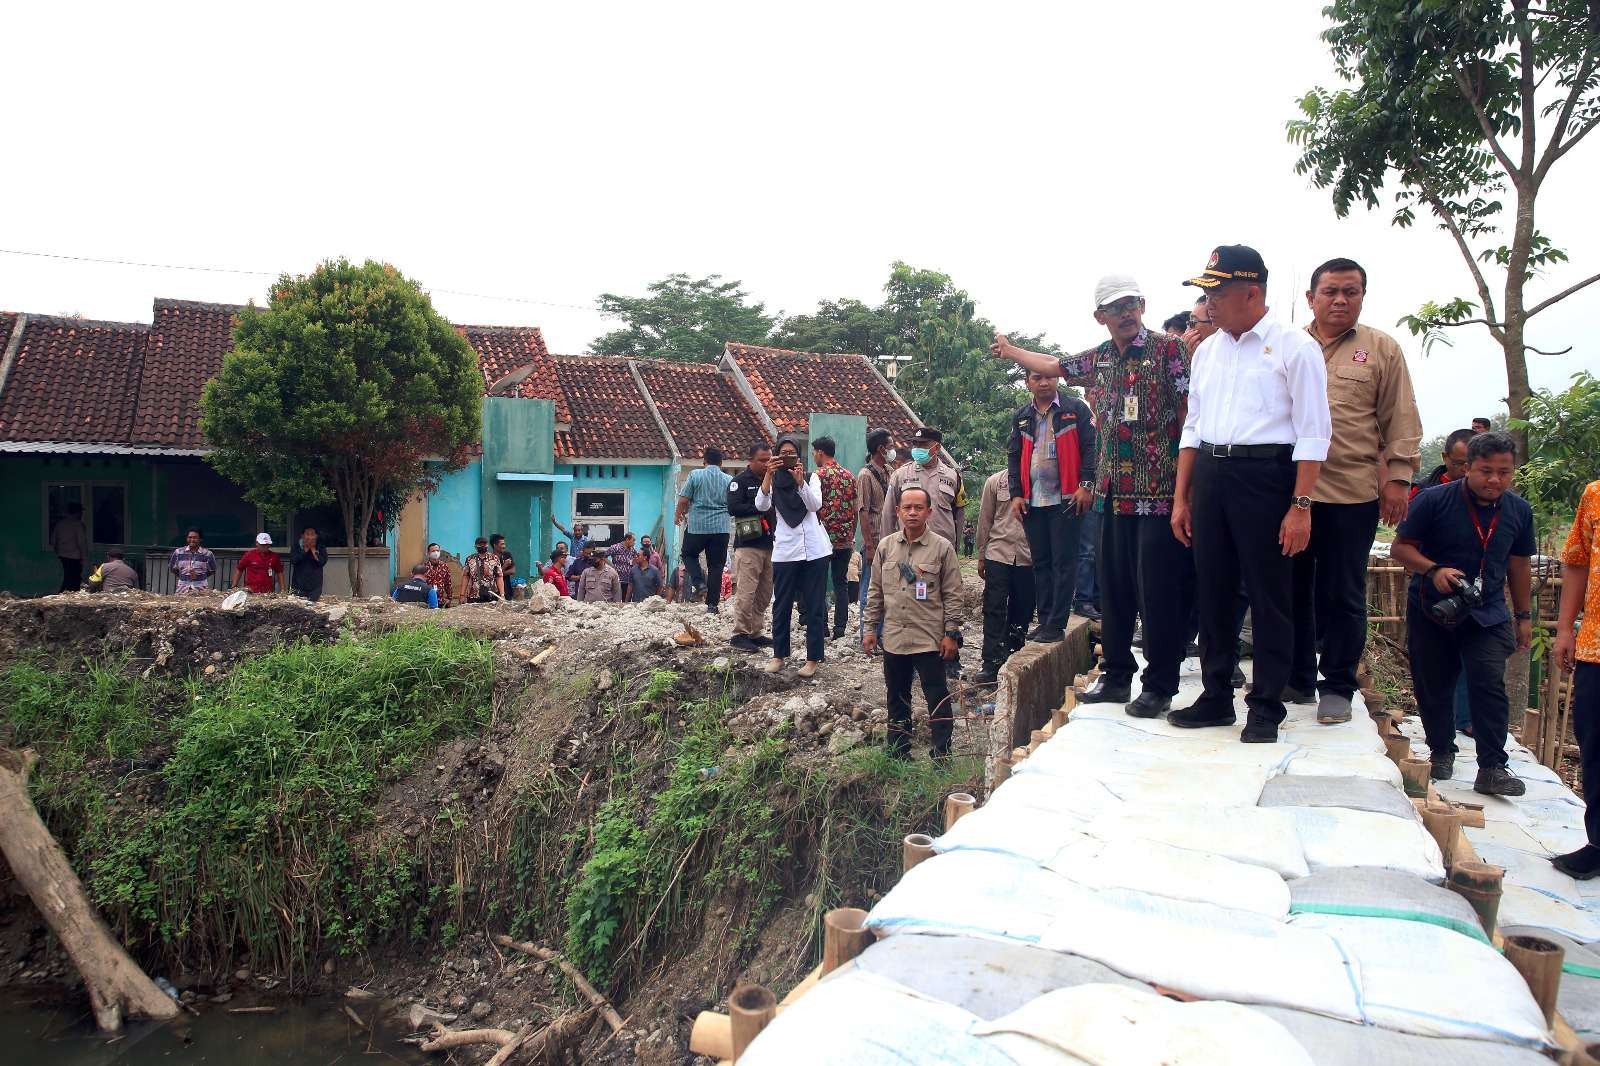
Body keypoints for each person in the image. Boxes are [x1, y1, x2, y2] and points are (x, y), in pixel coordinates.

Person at [995, 275, 1191, 715]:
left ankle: (1160, 684)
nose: (1124, 314)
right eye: (1114, 308)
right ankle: (1118, 676)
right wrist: (1009, 352)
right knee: (1114, 592)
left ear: (1142, 304)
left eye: (1130, 305)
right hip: (1109, 496)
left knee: (1156, 593)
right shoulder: (1099, 360)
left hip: (1158, 494)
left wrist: (1185, 491)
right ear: (1100, 317)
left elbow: (1187, 415)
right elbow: (1051, 363)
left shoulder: (1169, 350)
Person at [1170, 245, 1331, 743]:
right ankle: (1216, 695)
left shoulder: (1293, 348)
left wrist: (1300, 506)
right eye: (1206, 292)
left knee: (1269, 594)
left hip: (1267, 477)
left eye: (1216, 291)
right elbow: (1192, 427)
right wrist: (1182, 497)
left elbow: (1313, 433)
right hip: (1213, 478)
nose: (1208, 302)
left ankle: (1266, 708)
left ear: (1252, 292)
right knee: (1213, 589)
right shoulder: (1208, 351)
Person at [1286, 258, 1423, 724]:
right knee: (1290, 588)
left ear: (1363, 296)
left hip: (1352, 492)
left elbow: (1400, 419)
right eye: (1330, 292)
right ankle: (1298, 676)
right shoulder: (1286, 346)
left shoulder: (1382, 349)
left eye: (1351, 292)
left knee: (1343, 591)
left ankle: (1338, 685)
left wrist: (1399, 480)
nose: (1340, 300)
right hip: (1291, 493)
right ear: (1312, 298)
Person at [1392, 432, 1533, 796]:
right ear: (1467, 468)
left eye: (1504, 472)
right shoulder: (1432, 500)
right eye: (1486, 471)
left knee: (1488, 681)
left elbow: (1519, 565)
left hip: (1487, 612)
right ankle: (1441, 750)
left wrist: (1524, 616)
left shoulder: (1518, 510)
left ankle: (1492, 767)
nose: (1494, 480)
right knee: (1434, 682)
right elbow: (1401, 548)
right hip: (1431, 607)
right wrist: (1433, 569)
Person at [864, 487, 963, 759]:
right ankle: (898, 751)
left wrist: (951, 634)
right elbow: (875, 591)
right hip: (894, 637)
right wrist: (870, 629)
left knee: (937, 697)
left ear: (929, 512)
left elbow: (954, 594)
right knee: (896, 697)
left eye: (918, 507)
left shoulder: (942, 548)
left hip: (929, 638)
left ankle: (942, 753)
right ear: (897, 512)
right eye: (906, 507)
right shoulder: (886, 547)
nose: (912, 512)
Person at [1001, 365, 1096, 644]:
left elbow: (1091, 447)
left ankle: (1056, 623)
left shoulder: (1074, 408)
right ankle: (1044, 621)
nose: (1044, 382)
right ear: (1027, 382)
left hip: (1066, 498)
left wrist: (1085, 485)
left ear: (1058, 379)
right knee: (1040, 562)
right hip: (1034, 499)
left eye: (1049, 376)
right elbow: (1013, 455)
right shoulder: (1022, 416)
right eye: (1037, 377)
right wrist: (1017, 494)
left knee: (1063, 562)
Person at [1553, 478, 1600, 878]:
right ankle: (1598, 843)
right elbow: (1578, 562)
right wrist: (1565, 629)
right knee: (1595, 745)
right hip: (1596, 646)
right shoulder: (1595, 495)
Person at [756, 436, 831, 677]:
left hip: (814, 549)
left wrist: (801, 484)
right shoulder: (772, 480)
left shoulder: (811, 477)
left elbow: (814, 505)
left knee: (814, 605)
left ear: (798, 456)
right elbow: (760, 504)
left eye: (791, 453)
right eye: (782, 453)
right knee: (782, 604)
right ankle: (779, 655)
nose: (787, 456)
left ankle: (813, 658)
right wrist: (768, 474)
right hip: (786, 550)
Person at [974, 470, 1034, 685]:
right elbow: (985, 519)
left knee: (1023, 609)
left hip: (1029, 557)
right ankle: (990, 663)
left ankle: (1013, 658)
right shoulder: (995, 482)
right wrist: (981, 555)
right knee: (993, 608)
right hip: (998, 553)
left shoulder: (1040, 481)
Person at [880, 427, 964, 550]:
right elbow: (888, 514)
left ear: (937, 448)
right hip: (908, 547)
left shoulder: (953, 476)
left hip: (942, 548)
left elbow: (959, 515)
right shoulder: (900, 475)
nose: (917, 448)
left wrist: (955, 547)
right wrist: (885, 548)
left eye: (923, 444)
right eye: (915, 444)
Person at [728, 442, 776, 653]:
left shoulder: (776, 480)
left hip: (771, 544)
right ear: (751, 461)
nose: (767, 464)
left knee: (764, 593)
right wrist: (758, 507)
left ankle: (755, 631)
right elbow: (733, 507)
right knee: (746, 592)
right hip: (749, 544)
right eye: (762, 460)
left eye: (769, 459)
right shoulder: (739, 482)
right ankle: (740, 634)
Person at [676, 446, 734, 611]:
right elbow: (732, 503)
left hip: (697, 527)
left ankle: (699, 583)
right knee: (716, 566)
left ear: (704, 461)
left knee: (688, 554)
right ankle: (712, 605)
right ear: (721, 463)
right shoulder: (728, 479)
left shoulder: (695, 475)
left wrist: (677, 515)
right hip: (721, 528)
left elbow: (683, 500)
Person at [811, 435, 858, 640]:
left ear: (820, 452)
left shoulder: (818, 475)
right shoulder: (849, 475)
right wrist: (850, 534)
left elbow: (812, 506)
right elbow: (855, 509)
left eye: (814, 452)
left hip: (822, 539)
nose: (814, 456)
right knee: (841, 583)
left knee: (819, 583)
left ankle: (822, 628)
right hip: (845, 539)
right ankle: (840, 629)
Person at [856, 429, 895, 633]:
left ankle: (883, 633)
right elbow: (863, 511)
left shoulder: (889, 471)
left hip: (891, 540)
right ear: (881, 449)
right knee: (870, 589)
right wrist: (869, 545)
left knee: (887, 588)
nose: (892, 450)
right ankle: (868, 633)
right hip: (875, 542)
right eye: (890, 446)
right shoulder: (865, 475)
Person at [1412, 428, 1475, 499]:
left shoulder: (1486, 490)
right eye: (1459, 463)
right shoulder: (1423, 491)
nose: (1465, 469)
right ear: (1445, 457)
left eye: (1471, 464)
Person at [50, 502, 87, 593]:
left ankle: (61, 596)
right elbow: (81, 542)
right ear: (78, 512)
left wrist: (58, 552)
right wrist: (83, 557)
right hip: (74, 558)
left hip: (61, 557)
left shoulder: (60, 524)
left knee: (65, 580)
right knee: (74, 583)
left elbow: (53, 541)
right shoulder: (78, 525)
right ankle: (71, 600)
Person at [170, 528, 216, 594]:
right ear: (186, 538)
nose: (192, 540)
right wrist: (184, 576)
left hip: (201, 590)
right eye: (190, 537)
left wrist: (198, 577)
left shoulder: (207, 554)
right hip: (182, 590)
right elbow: (172, 568)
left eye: (195, 538)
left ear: (200, 539)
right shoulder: (178, 552)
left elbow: (212, 570)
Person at [290, 525, 328, 602]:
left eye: (312, 534)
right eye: (307, 534)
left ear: (316, 536)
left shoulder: (320, 547)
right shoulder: (296, 546)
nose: (310, 537)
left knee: (312, 608)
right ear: (302, 536)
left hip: (315, 586)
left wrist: (313, 550)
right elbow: (293, 560)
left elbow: (322, 562)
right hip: (298, 585)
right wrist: (305, 550)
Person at [463, 537, 505, 603]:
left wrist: (502, 595)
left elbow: (499, 577)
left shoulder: (494, 558)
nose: (482, 546)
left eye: (484, 544)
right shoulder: (470, 559)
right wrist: (462, 595)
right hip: (474, 596)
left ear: (487, 545)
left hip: (492, 595)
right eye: (480, 544)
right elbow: (465, 576)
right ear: (475, 546)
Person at [609, 533, 639, 601]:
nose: (634, 542)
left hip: (628, 580)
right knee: (616, 601)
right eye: (633, 540)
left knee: (626, 602)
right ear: (627, 539)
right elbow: (604, 557)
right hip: (617, 580)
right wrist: (612, 566)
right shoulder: (615, 547)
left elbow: (636, 558)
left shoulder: (632, 550)